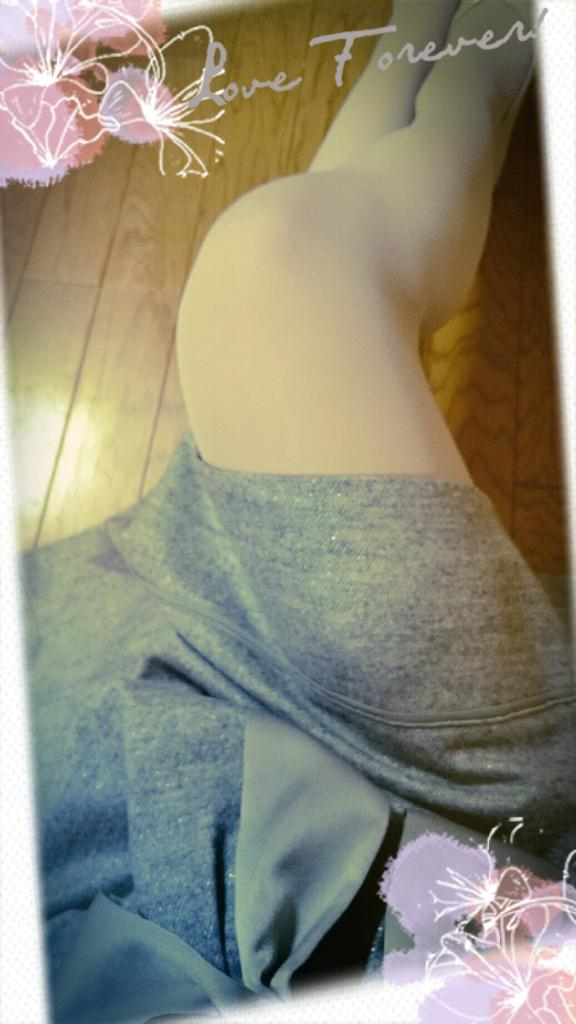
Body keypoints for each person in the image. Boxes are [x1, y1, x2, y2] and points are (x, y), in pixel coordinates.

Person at [23, 1, 575, 1021]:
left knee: (309, 253)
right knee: (281, 268)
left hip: (125, 668)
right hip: (378, 804)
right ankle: (492, 46)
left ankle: (435, 35)